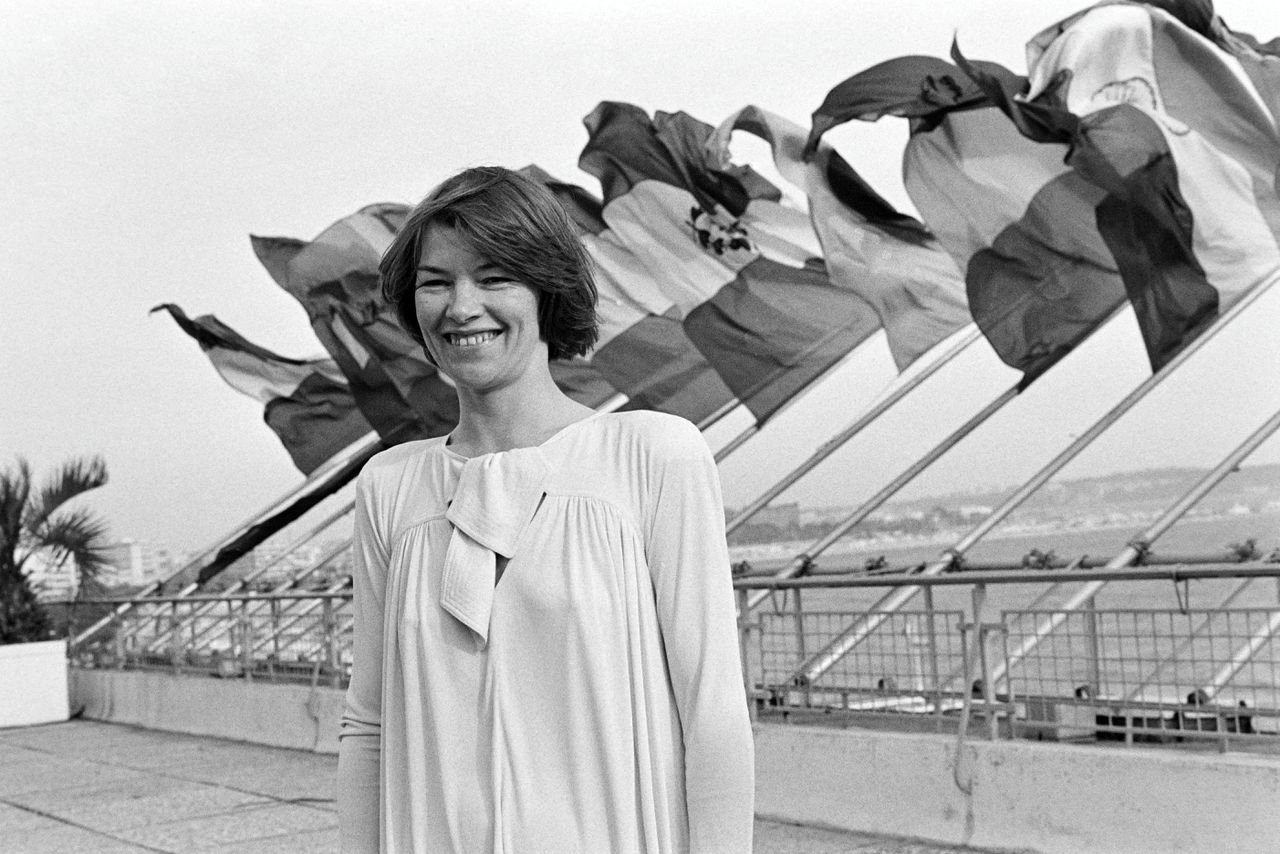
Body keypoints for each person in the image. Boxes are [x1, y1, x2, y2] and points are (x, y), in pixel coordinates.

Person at [337, 166, 754, 853]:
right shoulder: (390, 486)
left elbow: (711, 712)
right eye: (436, 282)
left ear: (546, 290)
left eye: (495, 277)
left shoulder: (651, 457)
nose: (461, 306)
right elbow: (369, 727)